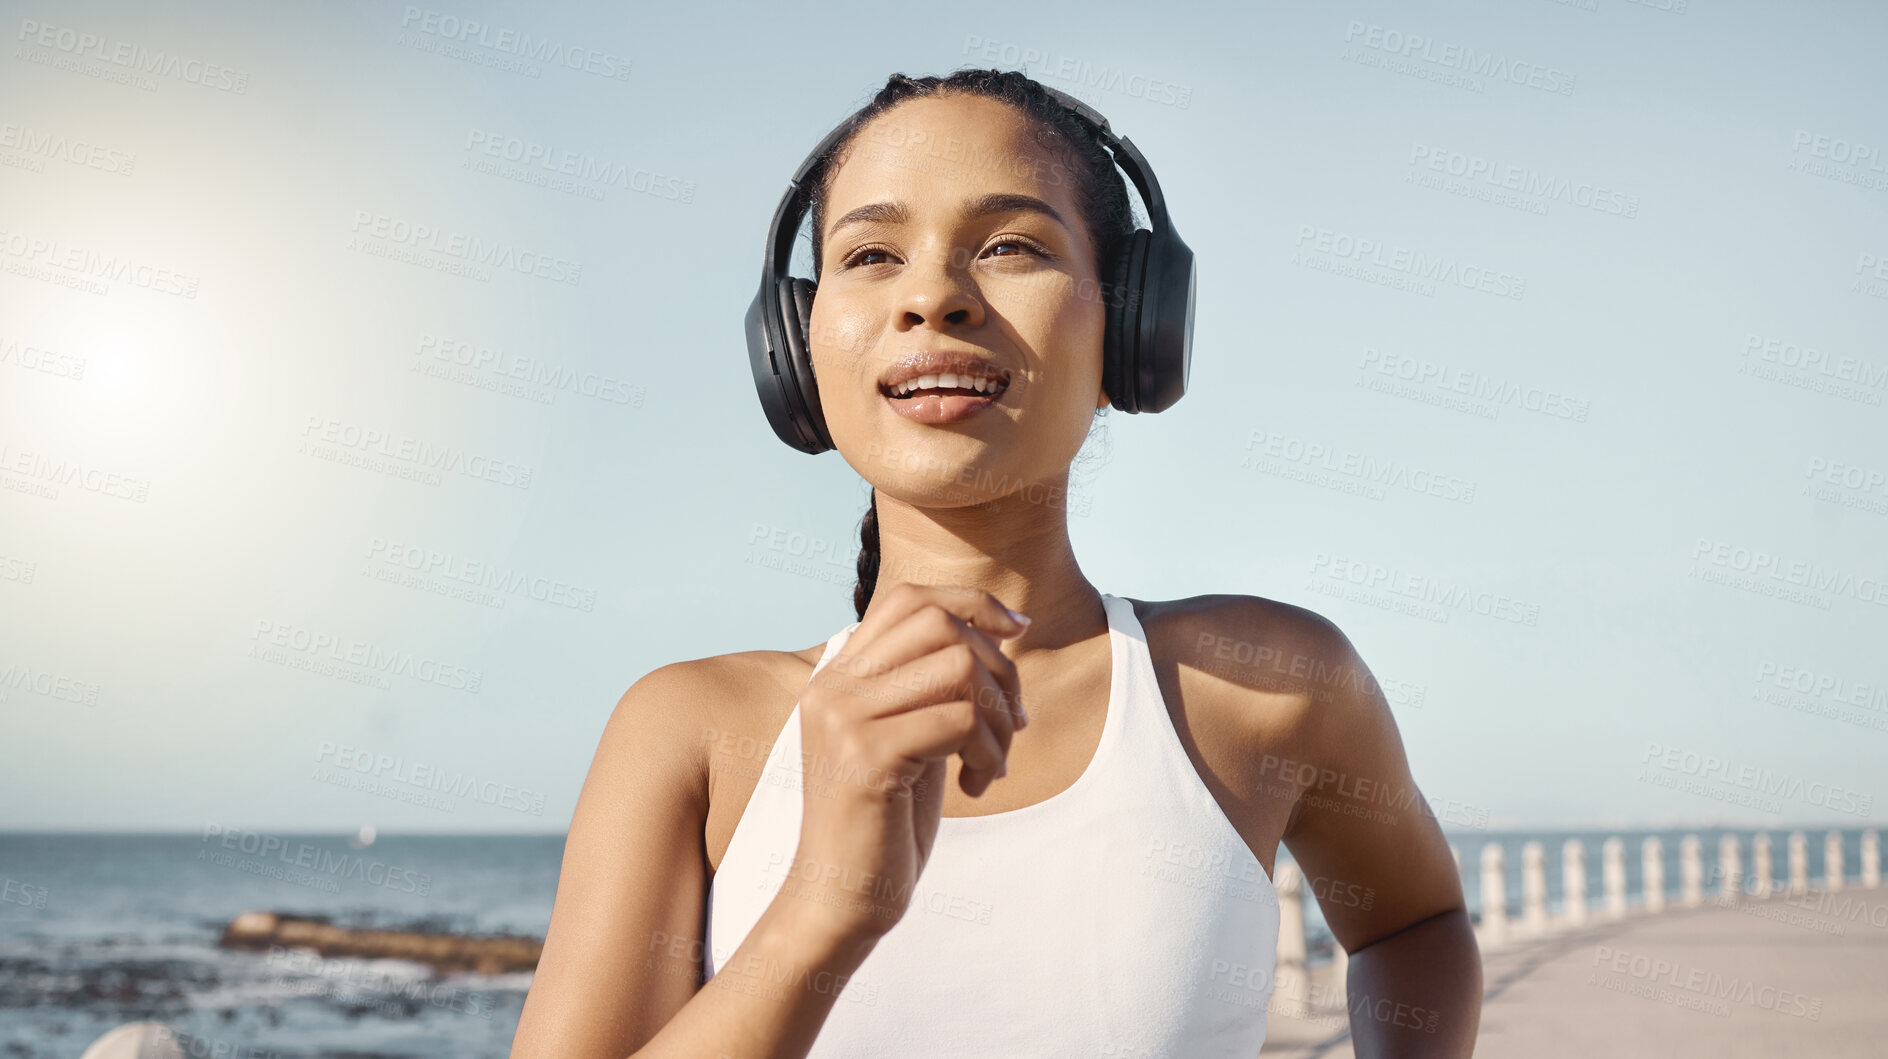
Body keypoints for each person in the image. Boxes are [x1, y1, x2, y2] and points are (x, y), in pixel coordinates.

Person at [511, 68, 1479, 1058]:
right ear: (796, 347)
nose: (931, 296)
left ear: (1134, 329)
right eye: (873, 253)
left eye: (1011, 245)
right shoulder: (687, 733)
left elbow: (1415, 927)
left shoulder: (1261, 683)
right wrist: (820, 912)